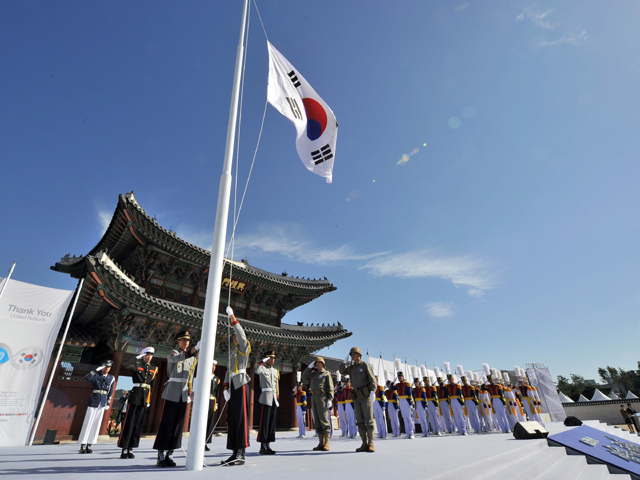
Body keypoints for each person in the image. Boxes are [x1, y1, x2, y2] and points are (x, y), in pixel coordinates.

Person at [153, 331, 199, 467]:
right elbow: (178, 359)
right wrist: (194, 350)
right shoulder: (172, 353)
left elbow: (191, 375)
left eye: (188, 341)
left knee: (178, 426)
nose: (186, 342)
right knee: (166, 423)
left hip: (184, 393)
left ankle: (170, 454)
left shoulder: (192, 358)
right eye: (183, 340)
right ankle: (161, 454)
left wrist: (190, 391)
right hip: (172, 392)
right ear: (178, 341)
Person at [221, 306, 252, 466]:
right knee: (232, 419)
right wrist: (225, 387)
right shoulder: (233, 352)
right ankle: (234, 451)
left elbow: (241, 334)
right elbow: (227, 371)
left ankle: (241, 451)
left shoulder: (243, 347)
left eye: (236, 336)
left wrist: (232, 316)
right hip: (233, 385)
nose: (234, 337)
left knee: (240, 418)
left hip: (241, 383)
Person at [118, 347, 158, 458]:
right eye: (147, 354)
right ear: (143, 355)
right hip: (135, 396)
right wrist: (137, 357)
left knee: (138, 425)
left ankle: (131, 448)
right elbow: (125, 364)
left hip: (145, 398)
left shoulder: (153, 368)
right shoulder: (136, 365)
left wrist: (149, 399)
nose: (149, 356)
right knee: (129, 423)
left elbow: (152, 386)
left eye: (151, 355)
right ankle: (124, 449)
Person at [339, 347, 377, 452]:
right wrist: (344, 362)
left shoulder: (364, 365)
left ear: (359, 355)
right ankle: (364, 443)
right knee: (360, 421)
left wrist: (373, 391)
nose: (352, 356)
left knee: (368, 421)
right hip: (356, 396)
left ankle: (371, 443)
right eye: (351, 354)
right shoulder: (351, 367)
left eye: (354, 354)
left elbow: (372, 379)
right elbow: (342, 371)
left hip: (365, 395)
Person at [78, 360, 115, 454]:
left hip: (102, 402)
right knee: (88, 422)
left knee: (96, 423)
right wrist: (96, 370)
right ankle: (83, 444)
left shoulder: (111, 378)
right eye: (105, 366)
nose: (107, 368)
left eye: (109, 367)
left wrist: (108, 403)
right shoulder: (95, 375)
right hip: (94, 400)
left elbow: (110, 392)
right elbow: (87, 378)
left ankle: (90, 444)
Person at [302, 356, 334, 451]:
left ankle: (327, 442)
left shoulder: (326, 374)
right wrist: (308, 367)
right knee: (317, 420)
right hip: (314, 397)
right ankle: (321, 443)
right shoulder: (313, 374)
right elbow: (304, 376)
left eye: (319, 363)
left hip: (322, 397)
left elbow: (331, 387)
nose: (318, 365)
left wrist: (330, 399)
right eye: (316, 363)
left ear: (323, 364)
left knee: (324, 419)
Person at [255, 351, 280, 455]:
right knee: (264, 423)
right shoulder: (262, 368)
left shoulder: (275, 371)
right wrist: (262, 362)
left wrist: (277, 398)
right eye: (271, 358)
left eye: (274, 358)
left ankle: (268, 444)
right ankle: (263, 445)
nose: (273, 360)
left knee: (271, 423)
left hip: (274, 398)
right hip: (266, 398)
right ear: (266, 359)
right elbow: (256, 370)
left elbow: (276, 385)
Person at [482, 367, 510, 433]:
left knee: (503, 415)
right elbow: (482, 387)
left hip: (499, 400)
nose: (490, 381)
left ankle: (507, 428)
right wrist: (486, 381)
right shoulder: (488, 386)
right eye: (489, 380)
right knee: (499, 415)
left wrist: (504, 403)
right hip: (493, 400)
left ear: (493, 380)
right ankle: (503, 429)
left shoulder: (498, 386)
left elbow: (502, 395)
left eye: (491, 379)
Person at [392, 371, 415, 439]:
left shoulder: (407, 384)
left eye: (400, 377)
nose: (399, 378)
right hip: (401, 401)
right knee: (404, 418)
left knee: (409, 417)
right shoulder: (397, 385)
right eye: (398, 377)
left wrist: (411, 403)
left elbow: (410, 394)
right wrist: (393, 381)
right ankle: (407, 433)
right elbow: (391, 388)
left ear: (403, 377)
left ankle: (411, 433)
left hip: (406, 400)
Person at [204, 360, 220, 451]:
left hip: (212, 400)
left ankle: (206, 442)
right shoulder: (205, 376)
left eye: (214, 366)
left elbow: (217, 392)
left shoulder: (217, 379)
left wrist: (216, 403)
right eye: (212, 365)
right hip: (204, 400)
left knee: (210, 422)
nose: (213, 367)